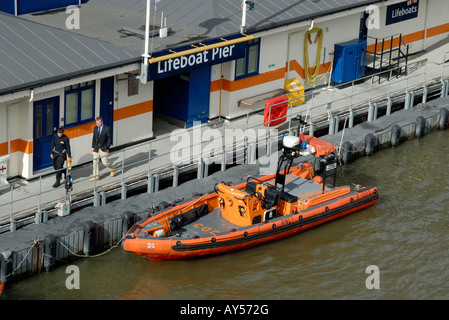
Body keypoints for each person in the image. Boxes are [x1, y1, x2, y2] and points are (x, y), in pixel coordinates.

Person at [90, 116, 115, 181]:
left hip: (103, 148)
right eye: (96, 123)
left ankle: (112, 169)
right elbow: (94, 138)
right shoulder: (95, 128)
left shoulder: (107, 129)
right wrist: (92, 147)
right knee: (95, 163)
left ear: (102, 122)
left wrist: (106, 147)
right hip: (96, 148)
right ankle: (96, 176)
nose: (97, 124)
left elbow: (109, 139)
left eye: (98, 123)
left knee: (105, 162)